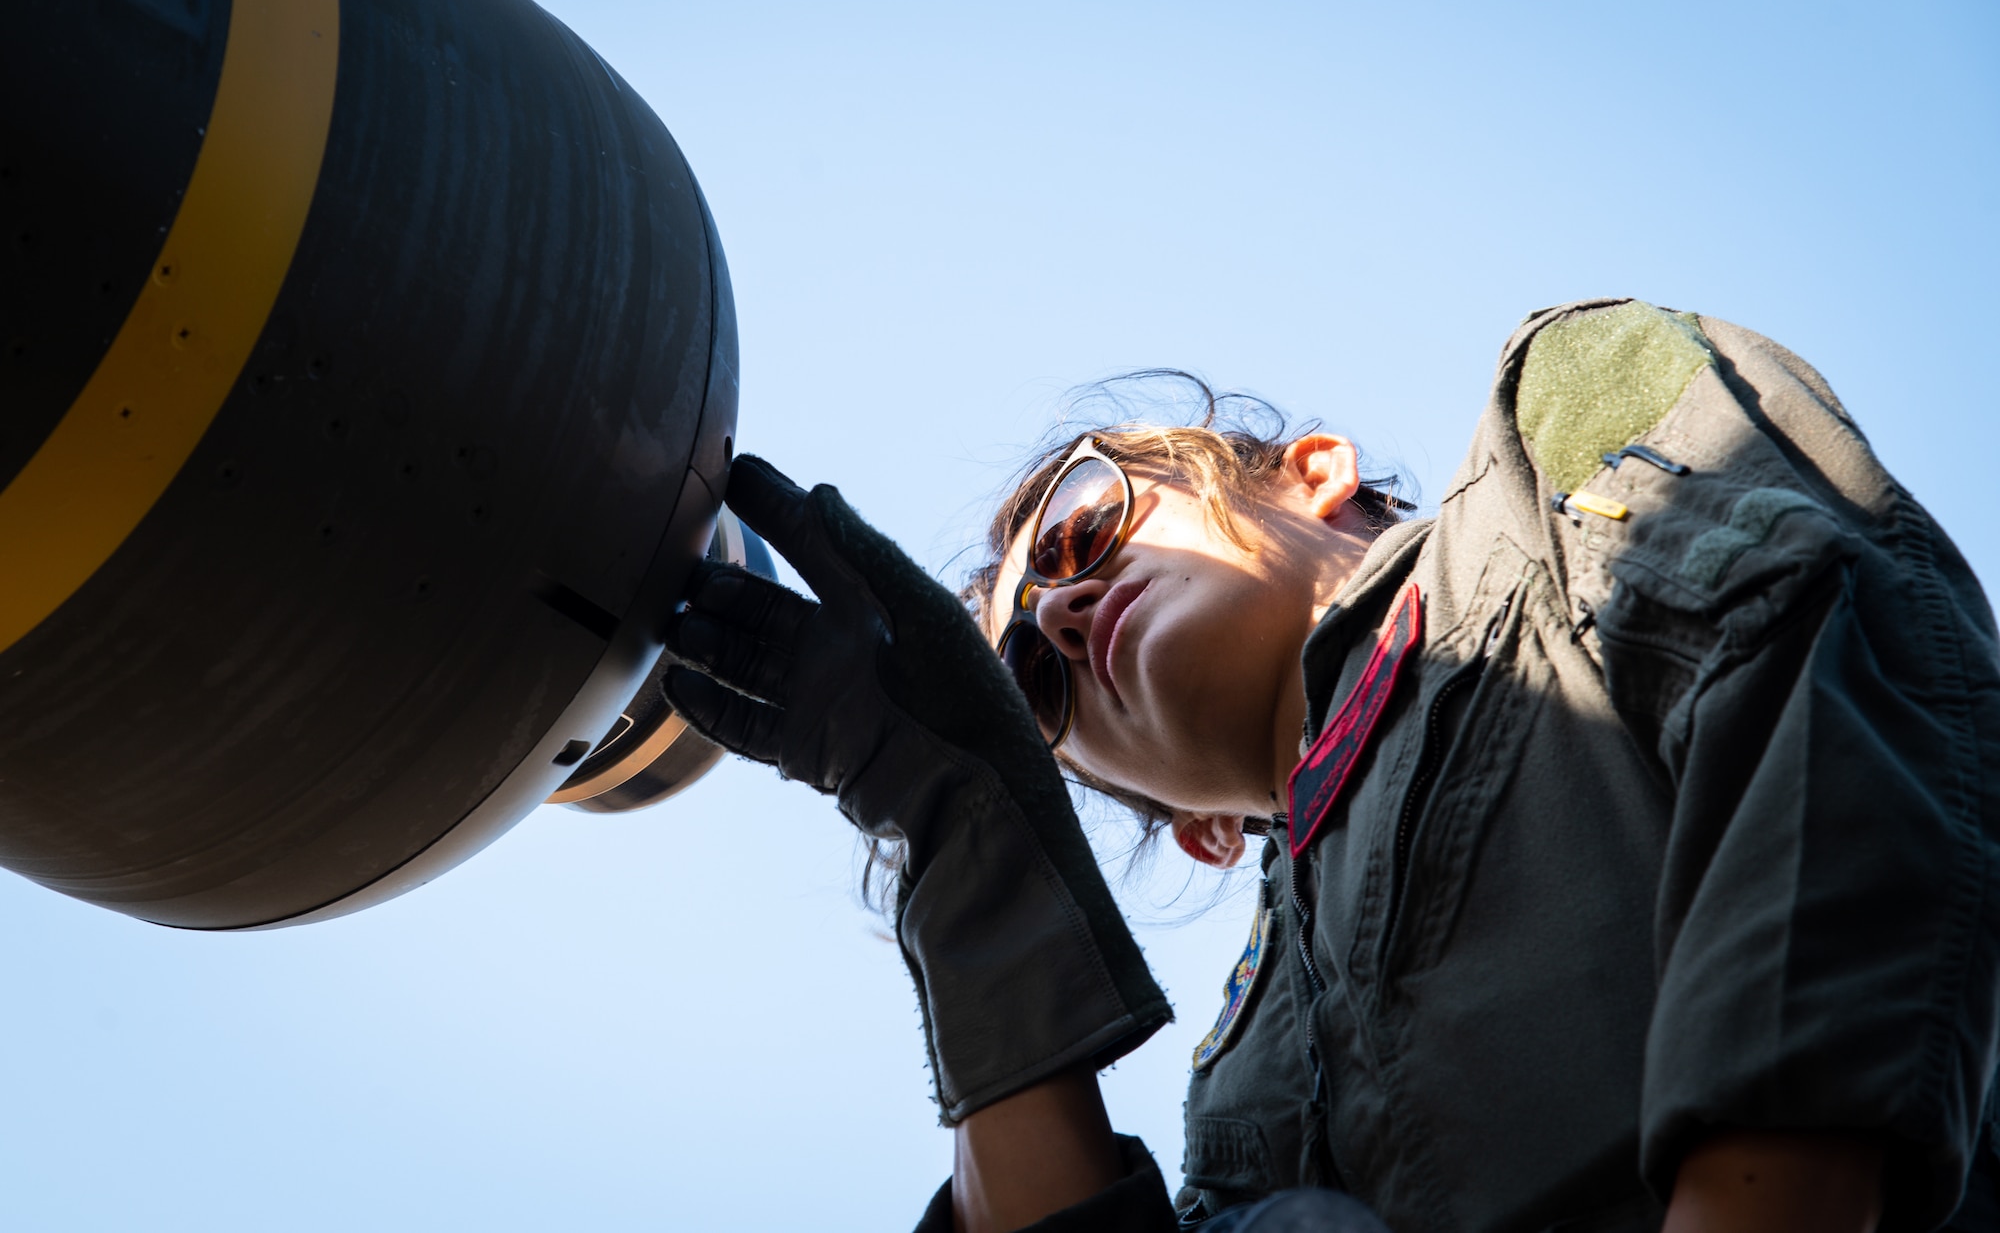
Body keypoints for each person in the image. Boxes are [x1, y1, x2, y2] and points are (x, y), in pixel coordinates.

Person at [662, 298, 2000, 1233]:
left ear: (1311, 472)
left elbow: (1824, 661)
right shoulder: (1235, 1091)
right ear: (1189, 831)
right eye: (1033, 685)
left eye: (1083, 538)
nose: (1064, 615)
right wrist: (952, 820)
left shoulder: (1555, 434)